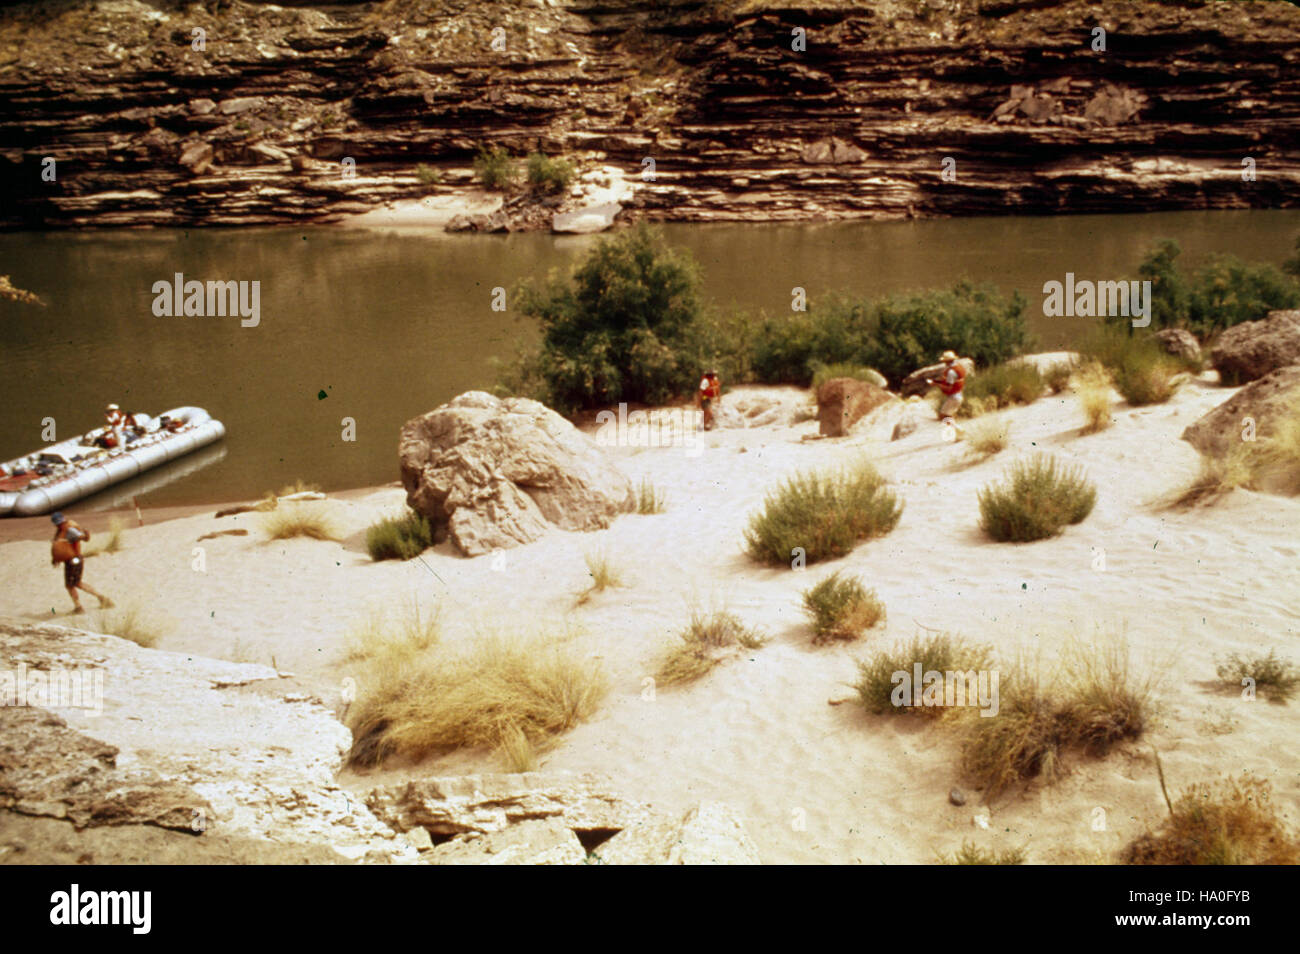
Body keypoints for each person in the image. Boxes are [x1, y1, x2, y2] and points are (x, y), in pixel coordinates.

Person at [50, 512, 113, 614]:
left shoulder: (69, 529)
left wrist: (85, 536)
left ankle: (79, 607)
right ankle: (102, 599)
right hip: (71, 560)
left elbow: (81, 537)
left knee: (71, 585)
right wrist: (56, 558)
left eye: (60, 523)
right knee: (76, 584)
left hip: (74, 560)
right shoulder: (61, 530)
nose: (59, 525)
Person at [926, 350, 966, 421]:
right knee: (948, 416)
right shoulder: (959, 367)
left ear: (947, 361)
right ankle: (955, 429)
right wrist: (936, 381)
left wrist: (935, 384)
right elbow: (951, 382)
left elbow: (948, 388)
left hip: (953, 398)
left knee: (943, 416)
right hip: (959, 395)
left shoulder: (951, 372)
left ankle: (957, 429)